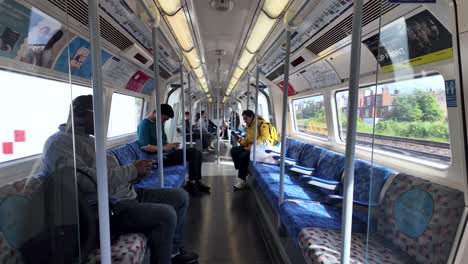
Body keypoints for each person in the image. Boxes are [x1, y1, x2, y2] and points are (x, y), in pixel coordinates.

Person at [40, 95, 198, 264]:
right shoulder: (59, 144)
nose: (102, 121)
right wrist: (131, 170)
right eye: (98, 114)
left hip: (127, 192)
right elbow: (84, 181)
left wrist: (136, 174)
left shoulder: (90, 140)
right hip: (109, 207)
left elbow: (110, 170)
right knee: (166, 214)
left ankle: (173, 252)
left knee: (180, 197)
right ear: (80, 114)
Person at [138, 105, 211, 195]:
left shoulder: (159, 123)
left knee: (197, 152)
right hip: (156, 158)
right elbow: (145, 147)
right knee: (193, 154)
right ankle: (192, 184)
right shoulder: (145, 124)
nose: (164, 121)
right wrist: (165, 148)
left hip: (165, 153)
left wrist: (171, 145)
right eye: (164, 118)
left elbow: (163, 141)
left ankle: (197, 181)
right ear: (157, 113)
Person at [230, 110, 275, 190]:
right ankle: (241, 168)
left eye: (246, 119)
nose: (244, 121)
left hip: (262, 148)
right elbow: (247, 140)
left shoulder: (262, 124)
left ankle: (242, 180)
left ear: (251, 117)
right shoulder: (249, 126)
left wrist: (253, 146)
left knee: (243, 156)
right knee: (234, 150)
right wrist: (239, 140)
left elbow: (264, 139)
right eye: (243, 119)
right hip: (252, 146)